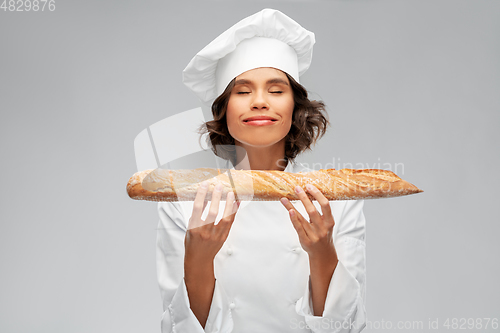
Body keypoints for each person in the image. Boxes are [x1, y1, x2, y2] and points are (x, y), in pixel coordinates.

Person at [156, 8, 367, 333]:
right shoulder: (182, 202)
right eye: (242, 91)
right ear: (223, 110)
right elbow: (178, 329)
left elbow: (346, 328)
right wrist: (198, 256)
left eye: (276, 90)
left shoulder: (338, 199)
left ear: (296, 107)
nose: (259, 101)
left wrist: (321, 250)